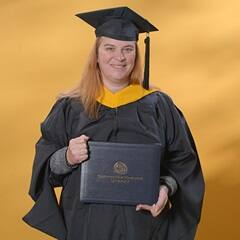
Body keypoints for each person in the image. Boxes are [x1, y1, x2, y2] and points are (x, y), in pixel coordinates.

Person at [23, 7, 205, 240]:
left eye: (127, 49)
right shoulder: (70, 107)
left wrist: (166, 188)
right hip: (86, 227)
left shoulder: (159, 106)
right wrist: (67, 157)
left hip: (144, 226)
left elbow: (184, 164)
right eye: (110, 48)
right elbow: (46, 171)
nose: (119, 57)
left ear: (136, 55)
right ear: (96, 55)